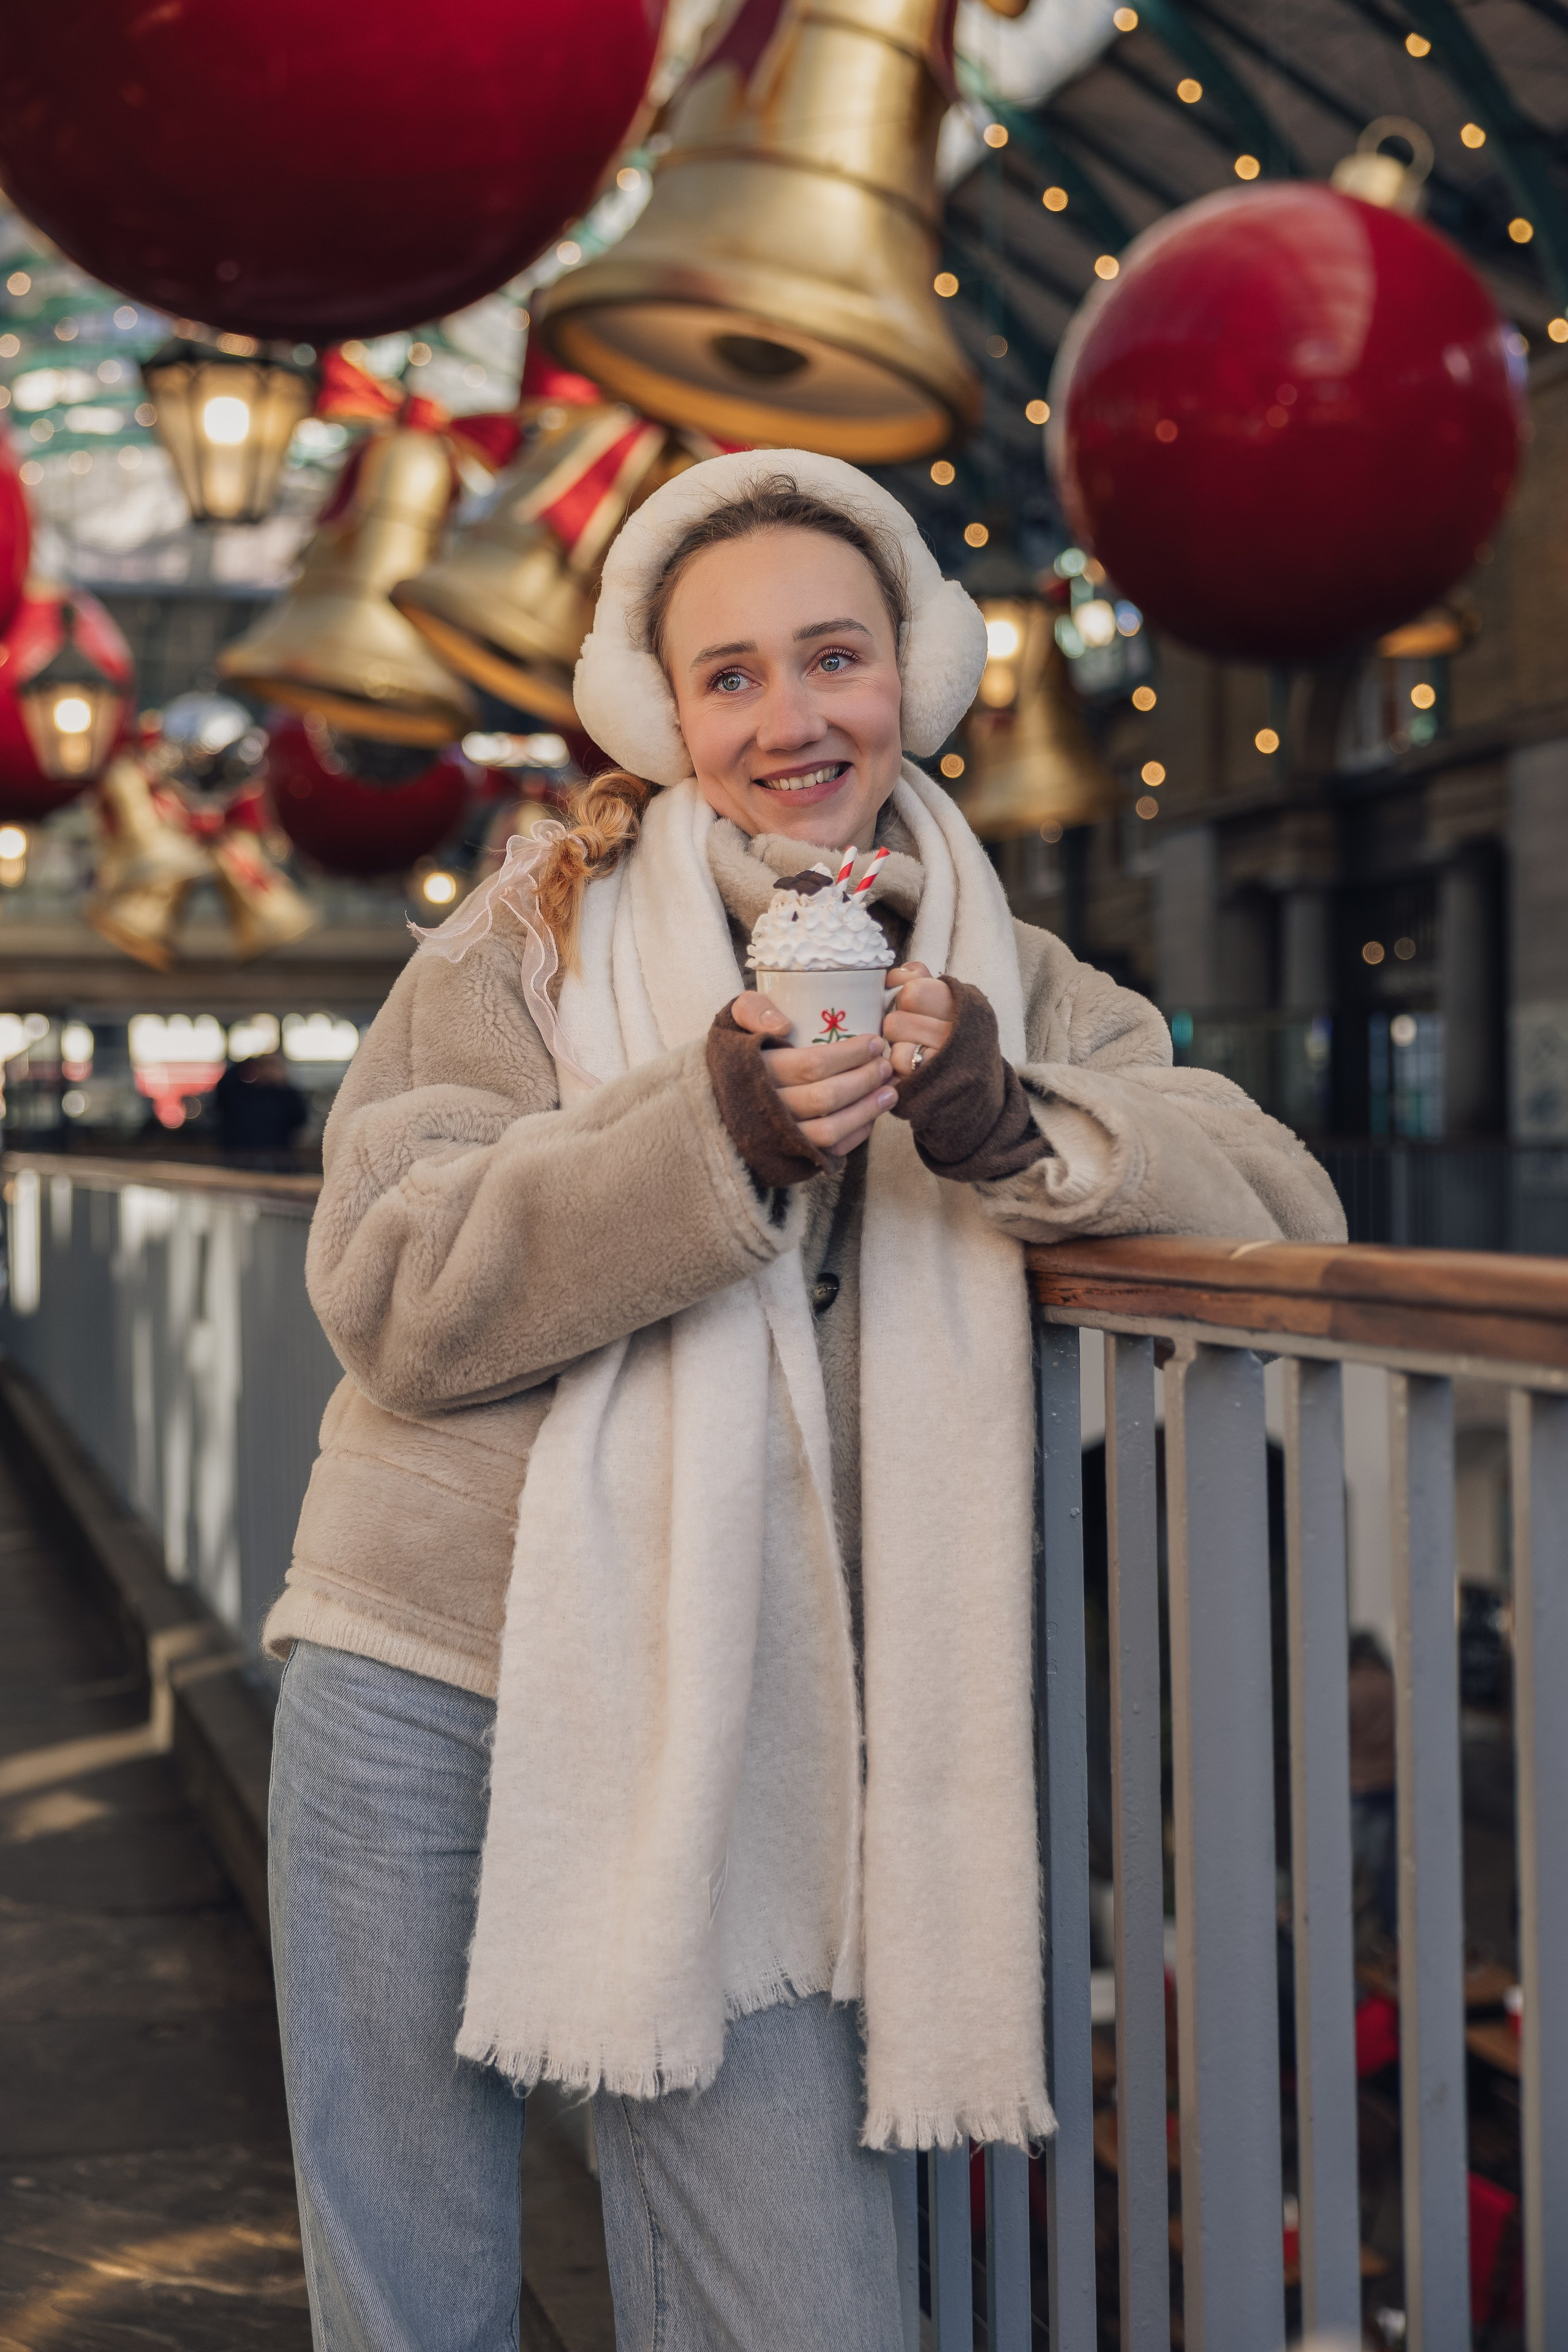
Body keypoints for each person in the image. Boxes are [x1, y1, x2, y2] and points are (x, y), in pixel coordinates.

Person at [263, 453, 1347, 2352]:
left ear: (912, 671)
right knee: (407, 2279)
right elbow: (389, 1283)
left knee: (803, 2302)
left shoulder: (1009, 972)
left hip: (743, 1735)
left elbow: (1282, 1206)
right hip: (419, 1663)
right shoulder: (533, 928)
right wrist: (707, 1137)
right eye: (732, 675)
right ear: (668, 712)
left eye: (830, 658)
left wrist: (1028, 1129)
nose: (789, 717)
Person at [1348, 1629, 1398, 1942]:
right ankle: (1388, 1926)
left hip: (1358, 1783)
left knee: (1351, 1861)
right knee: (1383, 1865)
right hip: (1389, 1782)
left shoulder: (1348, 1688)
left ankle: (1349, 1923)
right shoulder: (1392, 1685)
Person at [213, 1049, 309, 1156]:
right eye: (265, 1065)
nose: (269, 1069)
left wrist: (284, 1085)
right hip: (239, 1156)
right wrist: (249, 1063)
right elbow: (222, 1093)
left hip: (276, 1158)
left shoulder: (284, 1094)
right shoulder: (240, 1091)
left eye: (274, 1065)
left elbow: (300, 1118)